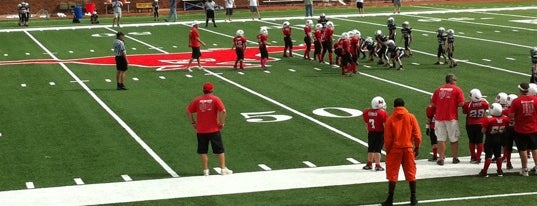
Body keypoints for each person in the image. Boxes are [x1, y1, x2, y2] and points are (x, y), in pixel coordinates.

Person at [186, 82, 233, 176]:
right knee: (219, 149)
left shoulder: (197, 100)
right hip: (214, 129)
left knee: (203, 150)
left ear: (203, 90)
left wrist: (193, 122)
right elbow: (223, 111)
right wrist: (222, 122)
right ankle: (223, 168)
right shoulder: (215, 99)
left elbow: (189, 111)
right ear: (212, 90)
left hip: (201, 130)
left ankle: (205, 170)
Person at [382, 98, 421, 206]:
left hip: (395, 149)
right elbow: (417, 134)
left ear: (394, 106)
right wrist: (417, 147)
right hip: (408, 148)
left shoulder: (390, 119)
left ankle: (390, 199)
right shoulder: (411, 117)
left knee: (392, 174)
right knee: (411, 173)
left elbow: (388, 138)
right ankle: (413, 198)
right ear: (404, 106)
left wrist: (388, 150)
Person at [430, 74, 465, 165]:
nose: (456, 81)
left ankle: (441, 158)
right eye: (455, 79)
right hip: (451, 117)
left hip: (439, 117)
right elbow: (461, 103)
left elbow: (433, 103)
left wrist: (442, 105)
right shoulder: (457, 89)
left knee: (441, 138)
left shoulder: (438, 89)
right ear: (451, 80)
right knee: (453, 138)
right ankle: (455, 158)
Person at [510, 83, 537, 176]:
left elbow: (511, 115)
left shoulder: (516, 101)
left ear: (520, 90)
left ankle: (525, 169)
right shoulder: (535, 99)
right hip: (533, 128)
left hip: (521, 129)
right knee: (535, 149)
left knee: (523, 150)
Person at [479, 103, 510, 177]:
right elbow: (506, 129)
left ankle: (484, 172)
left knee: (489, 155)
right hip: (499, 138)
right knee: (498, 155)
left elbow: (483, 131)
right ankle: (499, 171)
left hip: (490, 139)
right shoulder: (505, 118)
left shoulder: (488, 119)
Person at [462, 88, 489, 164]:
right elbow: (487, 107)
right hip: (480, 124)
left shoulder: (468, 105)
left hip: (470, 124)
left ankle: (473, 156)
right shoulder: (484, 103)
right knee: (479, 141)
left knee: (472, 141)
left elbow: (464, 112)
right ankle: (478, 157)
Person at [362, 96, 388, 171]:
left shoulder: (367, 112)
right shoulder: (382, 113)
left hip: (371, 132)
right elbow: (384, 125)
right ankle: (377, 165)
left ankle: (369, 164)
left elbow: (366, 124)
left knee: (370, 148)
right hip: (379, 133)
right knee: (377, 149)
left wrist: (369, 131)